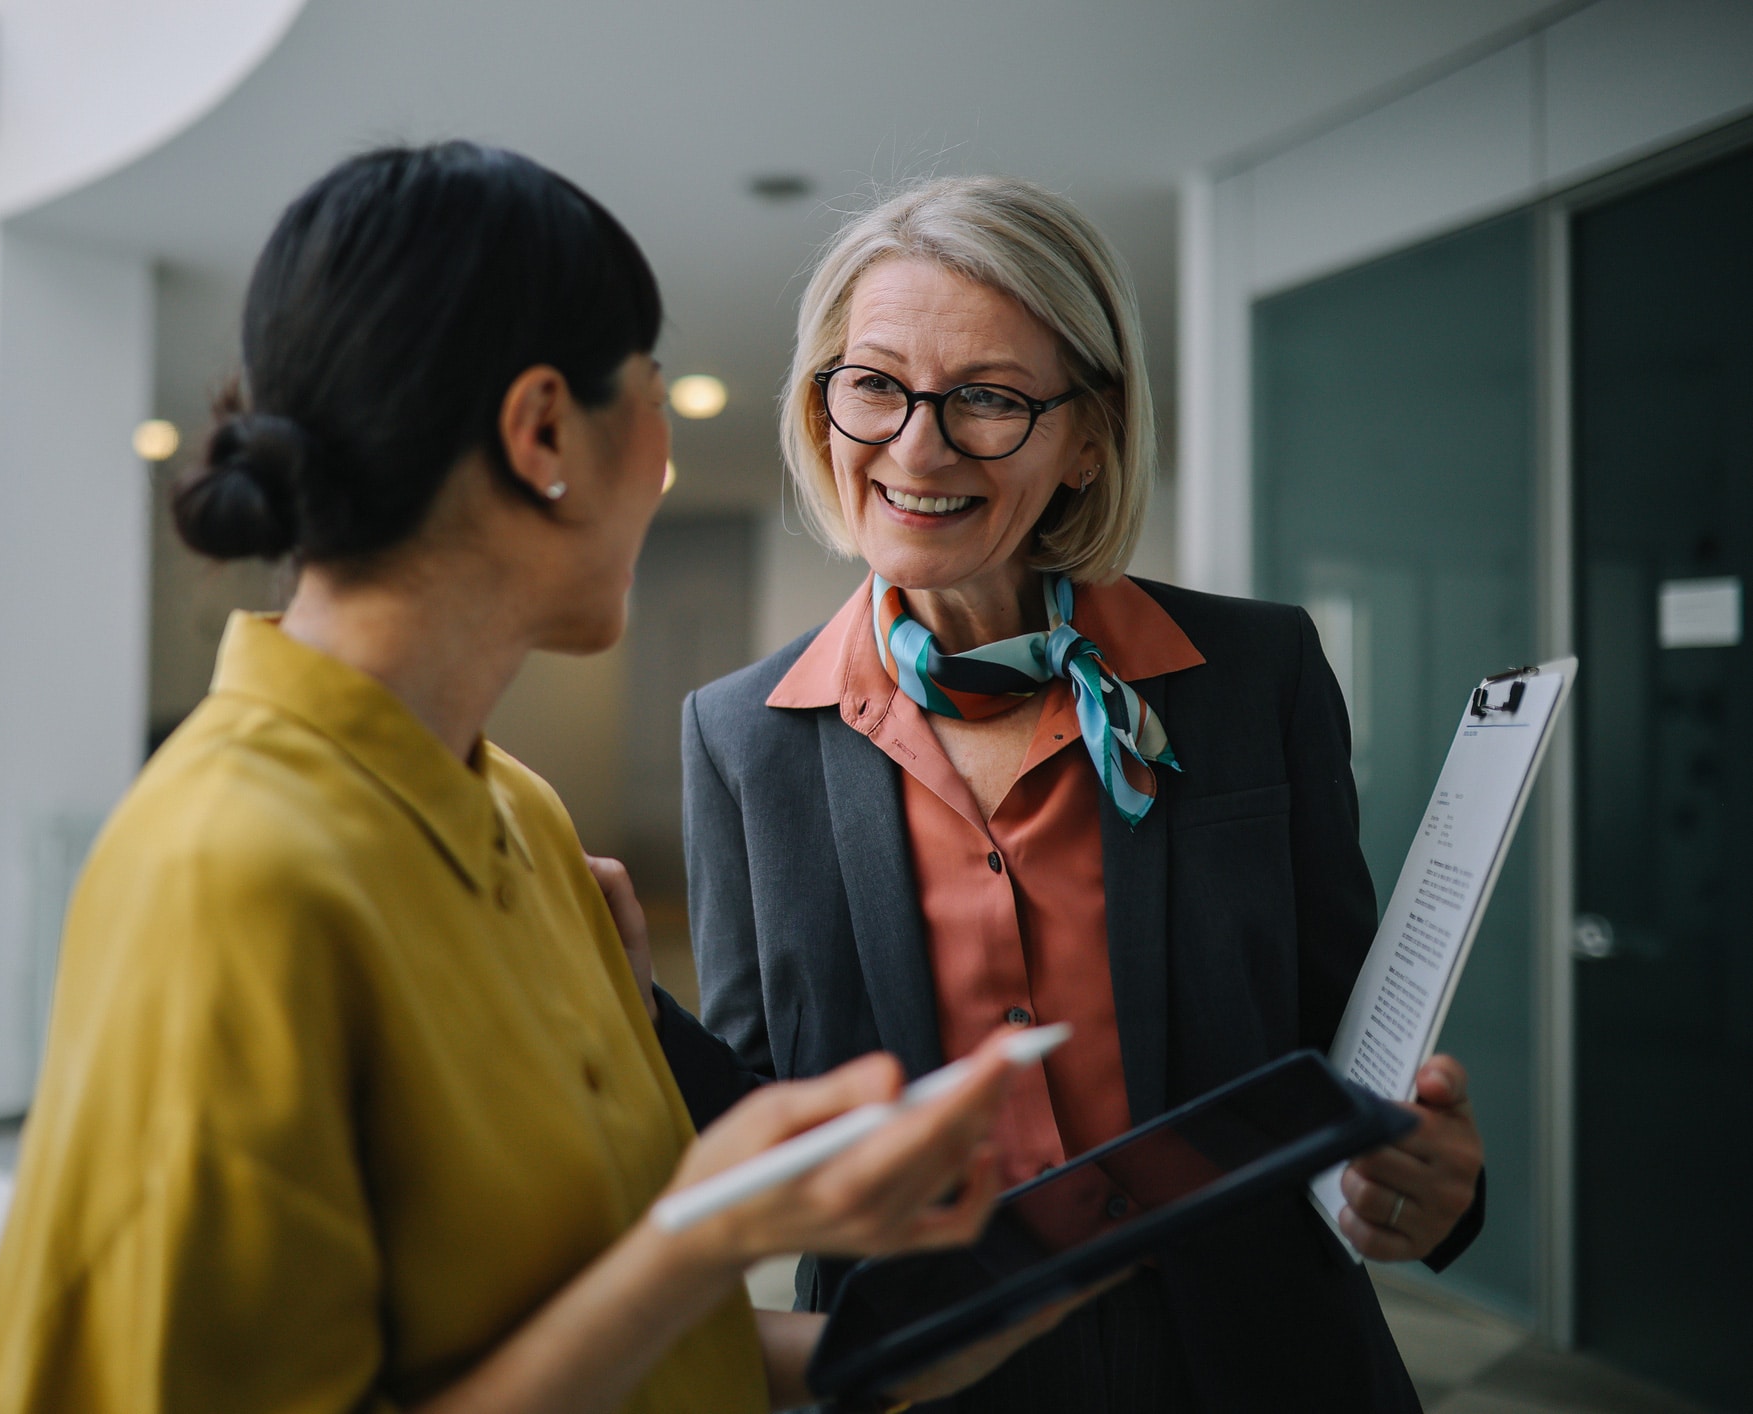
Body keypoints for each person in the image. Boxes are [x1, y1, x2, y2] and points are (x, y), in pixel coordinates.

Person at [0, 143, 1095, 1414]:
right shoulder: (223, 872)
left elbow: (630, 1351)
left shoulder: (530, 824)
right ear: (544, 430)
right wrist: (703, 1238)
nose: (661, 460)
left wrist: (921, 1353)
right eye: (652, 396)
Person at [635, 176, 1487, 1412]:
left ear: (1091, 433)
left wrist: (1430, 1176)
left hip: (1258, 1348)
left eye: (987, 397)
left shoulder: (1255, 676)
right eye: (873, 383)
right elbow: (780, 1113)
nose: (916, 448)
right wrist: (628, 1014)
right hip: (931, 1360)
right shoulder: (739, 737)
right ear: (822, 408)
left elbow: (1351, 1042)